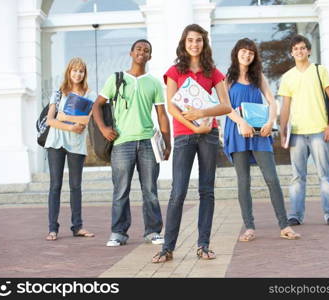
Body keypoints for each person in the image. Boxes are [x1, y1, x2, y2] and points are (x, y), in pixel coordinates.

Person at [151, 24, 231, 263]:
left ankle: (203, 245)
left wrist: (203, 113)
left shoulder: (213, 72)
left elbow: (226, 105)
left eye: (198, 40)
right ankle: (167, 248)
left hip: (208, 135)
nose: (194, 44)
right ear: (183, 44)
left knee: (207, 191)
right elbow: (171, 107)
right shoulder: (175, 71)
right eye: (190, 40)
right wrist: (195, 124)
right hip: (185, 136)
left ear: (204, 43)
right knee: (178, 192)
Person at [92, 39, 171, 247]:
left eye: (146, 50)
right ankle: (118, 233)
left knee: (150, 191)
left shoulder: (153, 82)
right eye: (139, 49)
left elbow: (162, 115)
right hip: (122, 143)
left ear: (150, 56)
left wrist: (167, 142)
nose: (142, 53)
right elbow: (97, 106)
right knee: (120, 190)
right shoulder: (116, 79)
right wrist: (103, 128)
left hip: (147, 142)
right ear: (131, 53)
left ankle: (153, 232)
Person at [223, 38, 300, 242]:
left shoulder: (259, 76)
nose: (247, 55)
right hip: (238, 131)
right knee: (243, 181)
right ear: (236, 52)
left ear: (254, 56)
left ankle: (284, 225)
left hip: (260, 132)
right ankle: (249, 227)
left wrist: (270, 122)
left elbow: (272, 102)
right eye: (243, 51)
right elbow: (225, 107)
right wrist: (242, 123)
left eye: (251, 52)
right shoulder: (227, 78)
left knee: (272, 179)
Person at [279, 34, 329, 226]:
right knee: (297, 177)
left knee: (325, 175)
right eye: (296, 49)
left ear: (309, 50)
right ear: (291, 53)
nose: (299, 51)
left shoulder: (319, 71)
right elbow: (285, 107)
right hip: (296, 133)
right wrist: (282, 132)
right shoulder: (287, 77)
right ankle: (295, 214)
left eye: (303, 48)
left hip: (319, 131)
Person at [44, 57, 95, 241]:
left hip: (76, 144)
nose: (77, 74)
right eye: (74, 70)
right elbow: (50, 120)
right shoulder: (58, 92)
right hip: (56, 142)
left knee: (75, 186)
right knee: (55, 185)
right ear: (68, 71)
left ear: (84, 74)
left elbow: (87, 120)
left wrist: (64, 117)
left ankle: (77, 226)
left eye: (81, 71)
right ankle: (52, 228)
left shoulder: (89, 93)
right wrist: (70, 124)